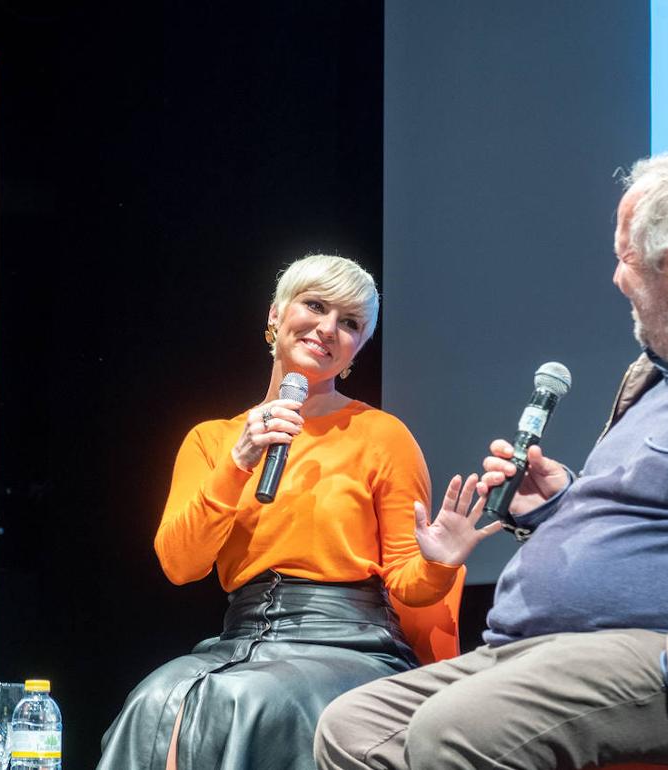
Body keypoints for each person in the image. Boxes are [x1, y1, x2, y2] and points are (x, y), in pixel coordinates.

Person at [314, 147, 668, 770]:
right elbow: (658, 513)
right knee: (352, 727)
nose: (618, 277)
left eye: (625, 257)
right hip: (539, 651)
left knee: (451, 732)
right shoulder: (653, 375)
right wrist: (559, 504)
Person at [97, 254, 501, 770]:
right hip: (242, 638)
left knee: (243, 699)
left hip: (349, 643)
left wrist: (439, 562)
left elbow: (409, 584)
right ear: (275, 316)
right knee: (155, 699)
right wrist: (238, 463)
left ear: (356, 349)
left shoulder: (382, 436)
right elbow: (180, 565)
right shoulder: (213, 439)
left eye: (350, 323)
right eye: (315, 306)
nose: (328, 328)